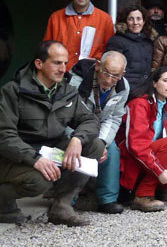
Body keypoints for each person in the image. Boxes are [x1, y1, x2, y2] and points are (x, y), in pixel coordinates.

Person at [0, 40, 105, 226]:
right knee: (41, 181)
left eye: (66, 63)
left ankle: (62, 206)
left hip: (49, 152)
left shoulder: (67, 92)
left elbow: (90, 120)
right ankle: (4, 197)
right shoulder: (12, 92)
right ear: (39, 64)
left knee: (95, 145)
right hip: (9, 159)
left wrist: (77, 138)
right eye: (57, 63)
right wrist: (35, 159)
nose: (63, 69)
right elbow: (2, 135)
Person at [118, 66, 167, 212]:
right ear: (154, 83)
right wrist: (160, 171)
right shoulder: (140, 103)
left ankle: (146, 190)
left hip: (153, 159)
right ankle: (143, 196)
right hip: (134, 159)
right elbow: (136, 146)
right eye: (165, 81)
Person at [69, 52, 129, 214]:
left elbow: (114, 118)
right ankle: (67, 198)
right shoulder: (76, 81)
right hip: (74, 126)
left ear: (122, 74)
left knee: (111, 151)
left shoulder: (123, 87)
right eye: (106, 73)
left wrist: (102, 142)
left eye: (115, 76)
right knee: (74, 149)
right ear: (98, 66)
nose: (108, 80)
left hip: (101, 127)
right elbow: (66, 114)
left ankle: (107, 199)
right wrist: (77, 138)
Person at [43, 0, 114, 70]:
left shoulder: (105, 19)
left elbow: (110, 50)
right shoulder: (56, 17)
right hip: (62, 72)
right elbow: (46, 48)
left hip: (92, 73)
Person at [105, 5, 157, 90]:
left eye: (138, 19)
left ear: (144, 22)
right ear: (125, 22)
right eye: (131, 19)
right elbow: (111, 69)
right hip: (124, 90)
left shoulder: (149, 41)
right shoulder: (117, 41)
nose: (135, 23)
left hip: (145, 90)